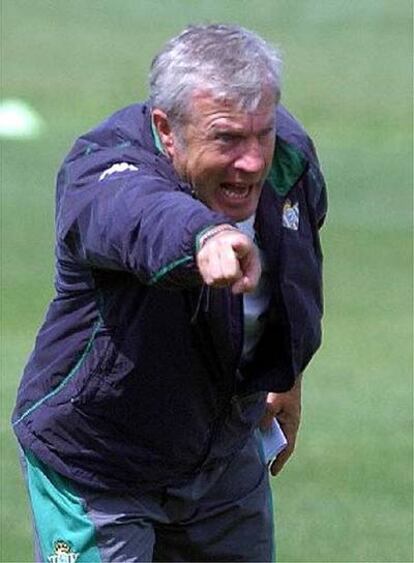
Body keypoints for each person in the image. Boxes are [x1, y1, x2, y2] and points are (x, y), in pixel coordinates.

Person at [12, 24, 327, 563]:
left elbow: (292, 259)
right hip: (99, 466)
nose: (251, 160)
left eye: (262, 133)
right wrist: (205, 236)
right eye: (226, 138)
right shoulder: (103, 167)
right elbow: (137, 216)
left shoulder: (287, 156)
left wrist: (286, 372)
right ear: (166, 129)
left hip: (221, 459)